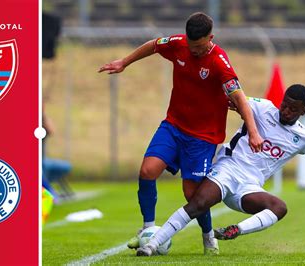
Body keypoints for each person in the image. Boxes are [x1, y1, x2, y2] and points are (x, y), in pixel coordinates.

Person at [136, 84, 305, 256]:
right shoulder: (261, 107)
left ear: (304, 112)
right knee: (198, 204)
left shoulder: (304, 137)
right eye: (285, 105)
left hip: (250, 186)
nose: (286, 111)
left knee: (279, 207)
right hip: (228, 169)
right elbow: (231, 99)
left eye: (293, 109)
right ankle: (151, 245)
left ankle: (234, 231)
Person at [98, 12, 263, 255]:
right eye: (190, 44)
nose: (193, 50)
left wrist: (253, 131)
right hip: (174, 126)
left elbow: (239, 96)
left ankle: (208, 237)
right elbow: (154, 45)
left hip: (203, 137)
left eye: (198, 46)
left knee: (193, 194)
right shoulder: (179, 44)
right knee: (147, 171)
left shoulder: (219, 62)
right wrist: (125, 62)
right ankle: (147, 229)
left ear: (210, 38)